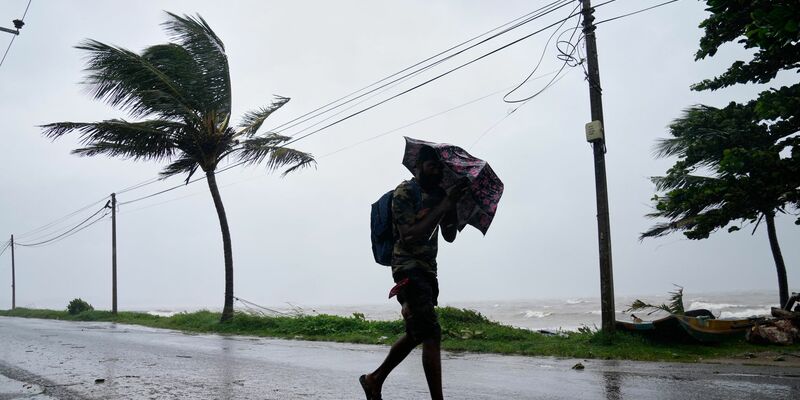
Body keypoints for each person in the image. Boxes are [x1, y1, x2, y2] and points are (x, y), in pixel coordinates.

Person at [360, 145, 469, 400]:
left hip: (429, 270)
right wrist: (443, 205)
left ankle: (373, 380)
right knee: (431, 332)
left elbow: (450, 236)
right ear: (419, 165)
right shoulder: (405, 192)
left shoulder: (440, 194)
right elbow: (409, 235)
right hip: (407, 267)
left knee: (417, 332)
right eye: (433, 166)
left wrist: (451, 204)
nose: (438, 172)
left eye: (441, 168)